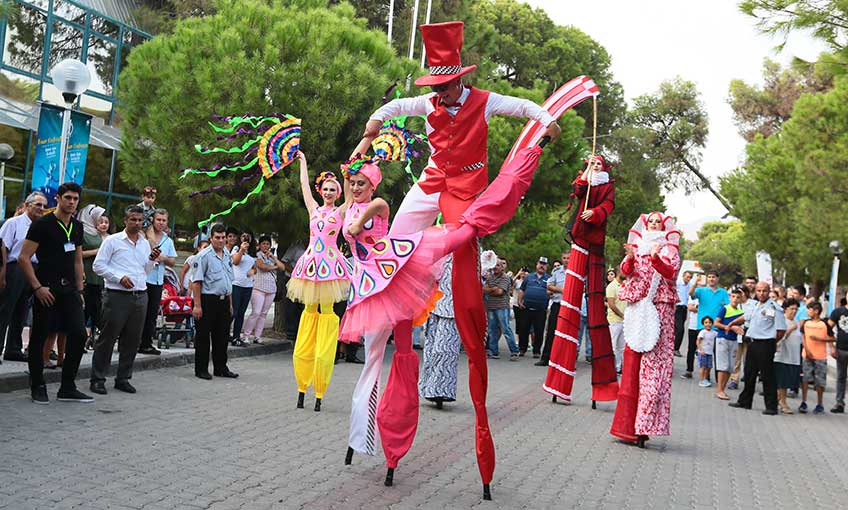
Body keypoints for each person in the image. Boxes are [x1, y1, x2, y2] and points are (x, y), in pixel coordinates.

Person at [351, 20, 562, 494]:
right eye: (435, 87)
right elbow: (392, 107)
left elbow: (526, 107)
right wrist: (371, 129)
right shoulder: (427, 103)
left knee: (462, 253)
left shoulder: (484, 101)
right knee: (395, 242)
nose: (439, 95)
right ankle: (387, 312)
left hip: (466, 189)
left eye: (445, 87)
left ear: (460, 81)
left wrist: (546, 122)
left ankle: (455, 316)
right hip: (431, 182)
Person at [543, 155, 618, 406]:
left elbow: (608, 207)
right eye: (592, 163)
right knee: (569, 305)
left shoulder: (608, 187)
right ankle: (558, 382)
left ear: (605, 168)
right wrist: (586, 173)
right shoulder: (585, 180)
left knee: (595, 307)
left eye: (599, 164)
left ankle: (603, 388)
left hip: (594, 244)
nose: (595, 167)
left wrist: (594, 213)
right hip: (579, 241)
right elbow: (578, 189)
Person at [17, 182, 93, 404]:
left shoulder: (77, 227)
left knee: (79, 334)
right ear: (58, 198)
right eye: (67, 197)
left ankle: (67, 387)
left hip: (70, 290)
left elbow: (77, 259)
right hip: (46, 288)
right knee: (40, 336)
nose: (71, 202)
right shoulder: (43, 224)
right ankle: (37, 385)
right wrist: (37, 287)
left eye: (75, 199)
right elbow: (23, 258)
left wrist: (80, 289)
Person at [610, 212, 681, 447]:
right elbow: (626, 272)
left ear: (664, 226)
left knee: (654, 370)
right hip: (637, 312)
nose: (654, 224)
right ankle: (627, 427)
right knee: (631, 369)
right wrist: (630, 258)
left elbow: (670, 272)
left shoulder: (669, 250)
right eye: (650, 221)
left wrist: (656, 258)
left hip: (660, 310)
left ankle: (645, 427)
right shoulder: (637, 246)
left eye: (658, 221)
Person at [287, 152, 351, 411]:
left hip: (330, 267)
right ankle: (302, 383)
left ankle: (321, 383)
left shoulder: (341, 211)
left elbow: (351, 193)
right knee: (309, 313)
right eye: (325, 188)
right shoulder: (313, 209)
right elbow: (304, 184)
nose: (328, 192)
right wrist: (303, 162)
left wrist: (348, 173)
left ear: (338, 193)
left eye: (333, 189)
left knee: (327, 314)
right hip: (311, 265)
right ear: (320, 190)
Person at [90, 205, 157, 394]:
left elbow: (145, 270)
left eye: (140, 220)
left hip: (140, 295)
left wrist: (152, 260)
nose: (137, 223)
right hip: (117, 295)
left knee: (132, 340)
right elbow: (98, 266)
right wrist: (119, 278)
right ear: (125, 220)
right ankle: (98, 378)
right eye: (133, 219)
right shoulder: (112, 241)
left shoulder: (144, 243)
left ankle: (123, 378)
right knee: (108, 338)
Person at [0, 191, 46, 362]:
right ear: (27, 205)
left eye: (44, 206)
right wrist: (2, 273)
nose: (41, 208)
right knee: (5, 309)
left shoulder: (41, 227)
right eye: (38, 204)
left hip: (33, 269)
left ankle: (13, 349)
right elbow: (3, 248)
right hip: (15, 268)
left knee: (21, 312)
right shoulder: (14, 223)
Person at [729, 281, 786, 415]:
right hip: (753, 343)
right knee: (749, 373)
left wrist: (772, 342)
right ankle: (745, 401)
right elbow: (746, 317)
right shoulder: (756, 305)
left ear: (769, 291)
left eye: (764, 291)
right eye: (759, 291)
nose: (761, 293)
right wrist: (731, 323)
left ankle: (771, 406)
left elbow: (781, 330)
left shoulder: (774, 308)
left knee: (767, 376)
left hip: (765, 344)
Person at [191, 223, 238, 379]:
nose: (221, 240)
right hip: (207, 300)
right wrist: (197, 305)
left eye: (223, 237)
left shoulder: (227, 255)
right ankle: (201, 369)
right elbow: (197, 282)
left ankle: (221, 367)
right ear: (211, 238)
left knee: (222, 336)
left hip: (223, 300)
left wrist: (230, 304)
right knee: (204, 337)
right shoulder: (203, 256)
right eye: (217, 237)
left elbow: (228, 281)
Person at [419, 255, 461, 408]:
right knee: (431, 350)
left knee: (445, 351)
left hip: (453, 309)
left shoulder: (468, 250)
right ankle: (428, 389)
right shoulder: (439, 250)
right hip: (435, 305)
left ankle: (441, 391)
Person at [139, 209, 176, 355]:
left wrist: (164, 258)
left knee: (152, 314)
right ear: (153, 220)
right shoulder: (144, 236)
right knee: (139, 313)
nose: (161, 223)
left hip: (158, 281)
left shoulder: (168, 240)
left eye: (164, 220)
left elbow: (172, 261)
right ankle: (134, 342)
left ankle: (147, 343)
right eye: (158, 219)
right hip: (143, 279)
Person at [243, 236, 285, 343]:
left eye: (267, 244)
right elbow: (263, 267)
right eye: (263, 244)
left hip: (271, 288)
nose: (265, 246)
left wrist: (274, 258)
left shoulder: (272, 257)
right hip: (258, 287)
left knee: (264, 314)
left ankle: (257, 336)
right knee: (256, 312)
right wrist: (275, 267)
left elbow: (283, 267)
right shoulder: (257, 255)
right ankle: (246, 335)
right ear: (260, 245)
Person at [79, 204, 110, 347]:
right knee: (85, 311)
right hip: (86, 275)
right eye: (98, 218)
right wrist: (96, 252)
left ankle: (92, 338)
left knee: (97, 310)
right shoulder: (83, 232)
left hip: (98, 278)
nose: (100, 222)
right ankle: (80, 341)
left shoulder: (98, 234)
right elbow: (77, 254)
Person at [798, 301, 835, 414]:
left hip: (820, 356)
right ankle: (804, 402)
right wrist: (806, 349)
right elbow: (803, 336)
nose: (807, 312)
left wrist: (820, 339)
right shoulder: (806, 323)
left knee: (820, 381)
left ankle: (820, 403)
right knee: (805, 379)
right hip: (807, 355)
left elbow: (833, 338)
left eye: (809, 310)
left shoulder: (824, 324)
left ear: (816, 311)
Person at [537, 251, 568, 366]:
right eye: (564, 258)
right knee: (551, 331)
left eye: (568, 258)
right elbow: (549, 285)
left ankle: (565, 360)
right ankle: (546, 358)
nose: (566, 260)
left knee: (567, 334)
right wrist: (561, 290)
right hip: (557, 304)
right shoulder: (557, 272)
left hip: (569, 306)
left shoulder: (575, 272)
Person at [713, 288, 745, 400]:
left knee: (730, 367)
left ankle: (722, 389)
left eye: (738, 297)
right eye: (733, 297)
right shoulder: (725, 309)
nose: (735, 299)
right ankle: (719, 390)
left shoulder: (741, 312)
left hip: (734, 340)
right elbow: (716, 323)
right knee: (723, 366)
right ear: (730, 297)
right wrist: (729, 327)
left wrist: (738, 329)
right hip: (722, 339)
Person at [484, 257, 518, 360]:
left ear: (502, 267)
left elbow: (500, 292)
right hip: (491, 306)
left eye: (498, 265)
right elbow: (483, 289)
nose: (496, 267)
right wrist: (493, 289)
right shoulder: (490, 277)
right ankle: (494, 351)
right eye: (494, 265)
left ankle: (514, 351)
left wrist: (490, 290)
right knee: (492, 329)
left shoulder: (505, 278)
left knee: (505, 329)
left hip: (502, 307)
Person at [517, 257, 550, 358]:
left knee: (539, 331)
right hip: (526, 308)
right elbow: (522, 289)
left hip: (541, 310)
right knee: (523, 329)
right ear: (537, 264)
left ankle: (536, 351)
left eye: (544, 264)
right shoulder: (529, 277)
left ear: (547, 266)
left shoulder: (549, 278)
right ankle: (522, 349)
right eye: (540, 263)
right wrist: (519, 301)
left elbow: (551, 292)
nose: (541, 266)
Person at [774, 298, 802, 414]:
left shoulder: (797, 323)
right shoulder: (782, 321)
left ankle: (777, 400)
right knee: (782, 382)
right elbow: (778, 339)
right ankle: (783, 402)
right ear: (785, 309)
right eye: (792, 309)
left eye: (796, 309)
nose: (794, 311)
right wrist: (789, 330)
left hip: (793, 357)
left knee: (787, 381)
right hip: (782, 356)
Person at [230, 231, 256, 347]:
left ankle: (236, 337)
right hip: (236, 284)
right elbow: (235, 262)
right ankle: (223, 333)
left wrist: (253, 271)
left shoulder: (253, 252)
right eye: (243, 236)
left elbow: (254, 266)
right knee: (234, 312)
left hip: (248, 285)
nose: (246, 238)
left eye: (248, 236)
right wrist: (241, 249)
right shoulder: (236, 248)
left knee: (241, 313)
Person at [829, 296, 848, 413]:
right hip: (841, 349)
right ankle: (839, 402)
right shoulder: (838, 312)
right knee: (841, 377)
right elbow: (828, 329)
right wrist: (831, 346)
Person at [606, 270, 626, 373]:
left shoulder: (625, 285)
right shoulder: (611, 286)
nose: (626, 274)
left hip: (624, 321)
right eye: (624, 272)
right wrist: (622, 315)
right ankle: (610, 368)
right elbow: (611, 304)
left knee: (621, 347)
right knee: (613, 346)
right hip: (614, 321)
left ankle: (618, 367)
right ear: (619, 272)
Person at [674, 271, 693, 357]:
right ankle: (675, 348)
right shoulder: (678, 283)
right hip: (677, 307)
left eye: (690, 277)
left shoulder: (689, 285)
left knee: (678, 328)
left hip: (684, 309)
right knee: (680, 329)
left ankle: (674, 347)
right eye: (687, 277)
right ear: (683, 276)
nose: (688, 279)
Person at [696, 317, 717, 388]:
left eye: (710, 323)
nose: (708, 324)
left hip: (710, 353)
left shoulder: (714, 332)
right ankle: (701, 380)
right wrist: (700, 350)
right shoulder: (702, 332)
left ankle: (705, 379)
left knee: (709, 367)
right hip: (703, 352)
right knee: (703, 367)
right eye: (706, 322)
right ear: (703, 324)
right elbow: (698, 341)